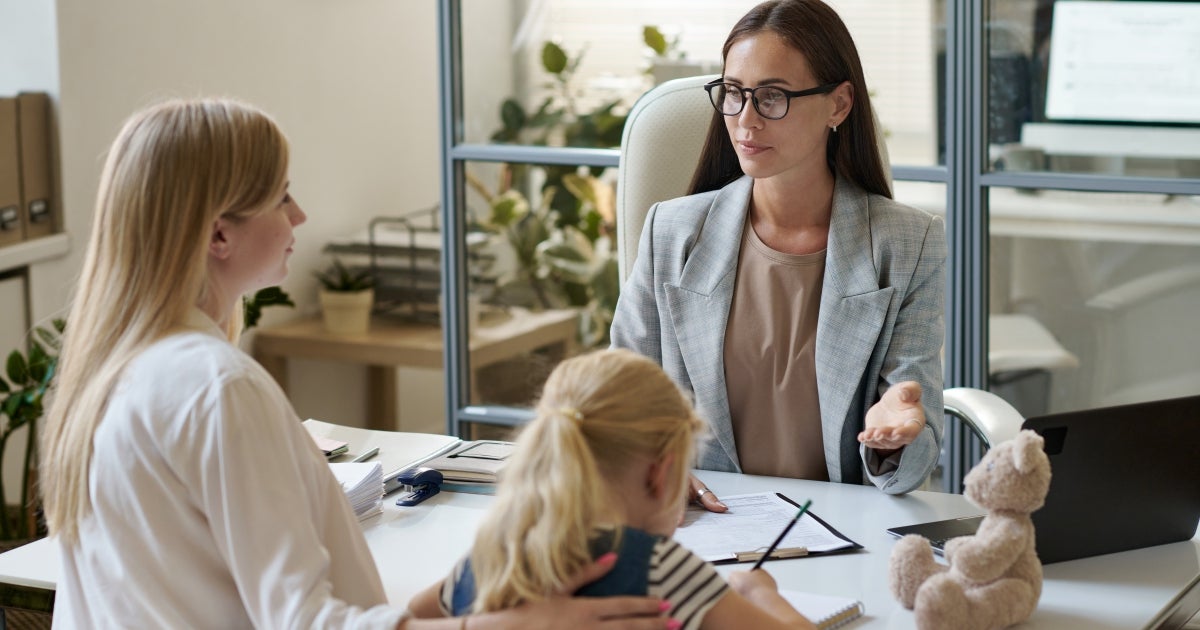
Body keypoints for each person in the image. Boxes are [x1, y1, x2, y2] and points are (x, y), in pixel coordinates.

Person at [40, 98, 670, 629]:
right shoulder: (217, 387)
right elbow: (303, 621)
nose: (299, 216)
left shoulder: (111, 371)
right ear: (218, 235)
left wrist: (443, 602)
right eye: (281, 196)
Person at [610, 0, 945, 502]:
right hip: (702, 523)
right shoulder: (671, 233)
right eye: (732, 94)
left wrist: (895, 440)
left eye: (771, 97)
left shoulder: (908, 245)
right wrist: (652, 470)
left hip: (842, 535)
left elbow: (912, 458)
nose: (745, 119)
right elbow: (619, 400)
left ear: (839, 104)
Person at [407, 349, 817, 630]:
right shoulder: (661, 570)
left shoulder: (493, 553)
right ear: (663, 474)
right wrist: (759, 593)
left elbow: (411, 615)